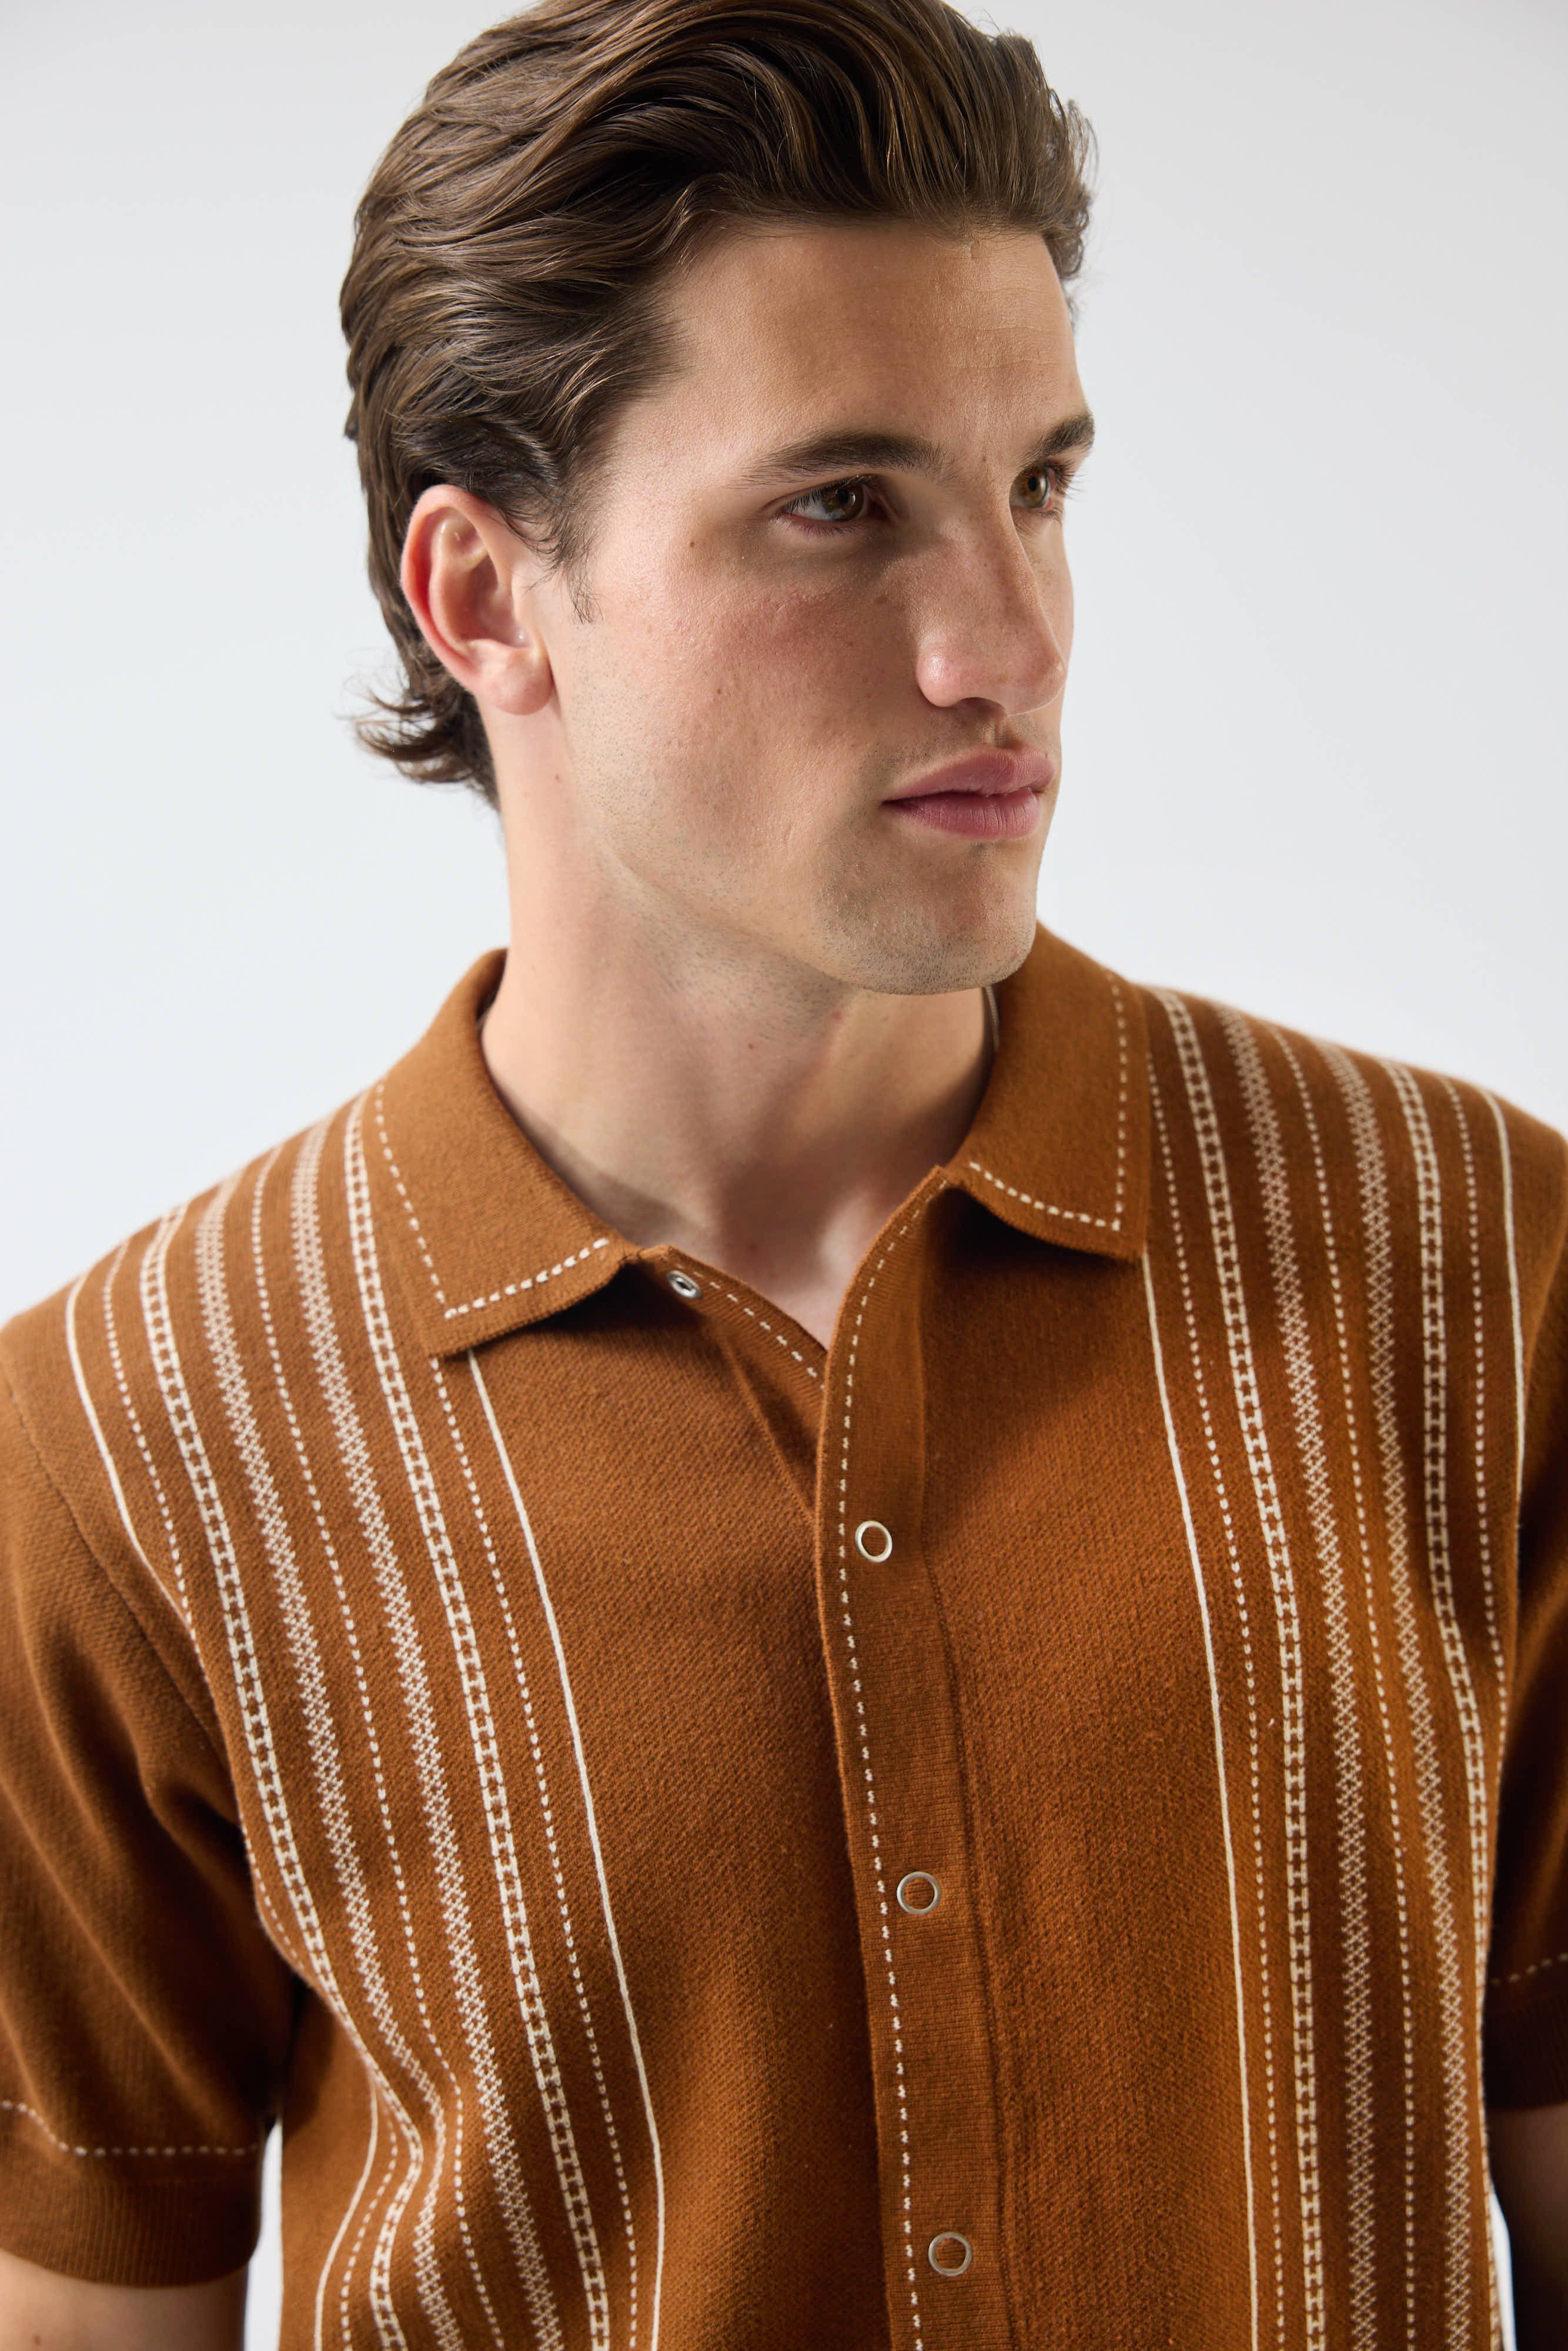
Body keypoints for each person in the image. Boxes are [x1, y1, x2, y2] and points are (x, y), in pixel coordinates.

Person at [1, 0, 1564, 2343]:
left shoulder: (1479, 1272)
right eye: (840, 507)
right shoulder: (121, 1450)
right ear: (482, 597)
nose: (1005, 646)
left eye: (1038, 484)